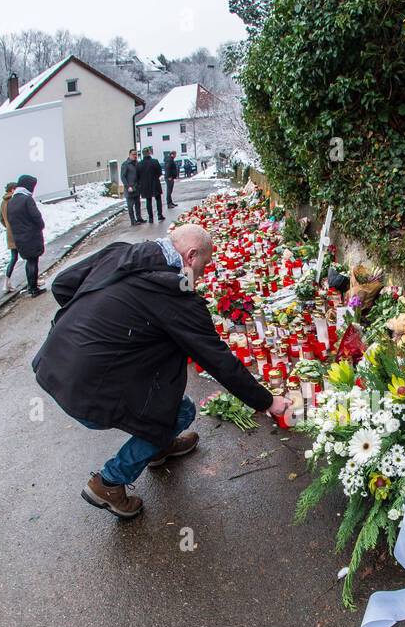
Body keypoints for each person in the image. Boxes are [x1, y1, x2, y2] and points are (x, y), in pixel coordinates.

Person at [32, 224, 289, 519]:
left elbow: (63, 285)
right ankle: (109, 482)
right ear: (191, 256)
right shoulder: (173, 295)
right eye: (203, 266)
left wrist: (96, 329)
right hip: (87, 391)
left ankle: (158, 446)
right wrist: (268, 402)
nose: (203, 275)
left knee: (164, 404)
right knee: (181, 412)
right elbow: (218, 360)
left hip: (53, 365)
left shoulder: (123, 252)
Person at [5, 174, 46, 295]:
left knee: (29, 261)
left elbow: (9, 219)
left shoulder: (12, 201)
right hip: (31, 236)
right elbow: (36, 216)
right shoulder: (27, 199)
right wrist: (40, 226)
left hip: (19, 237)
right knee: (33, 261)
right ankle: (33, 288)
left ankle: (30, 286)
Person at [0, 182, 19, 293]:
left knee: (13, 258)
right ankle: (33, 280)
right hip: (19, 233)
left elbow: (1, 219)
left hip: (10, 234)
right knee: (30, 257)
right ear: (12, 190)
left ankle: (6, 283)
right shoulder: (13, 200)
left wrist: (8, 227)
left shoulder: (3, 202)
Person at [136, 148, 165, 223]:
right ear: (149, 153)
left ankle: (150, 217)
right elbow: (159, 172)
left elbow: (138, 176)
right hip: (155, 183)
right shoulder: (154, 161)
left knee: (148, 201)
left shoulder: (139, 164)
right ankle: (159, 215)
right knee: (158, 199)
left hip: (145, 185)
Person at [120, 150, 141, 226]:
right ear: (129, 155)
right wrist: (127, 186)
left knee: (138, 204)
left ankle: (139, 218)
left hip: (137, 187)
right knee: (130, 206)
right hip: (130, 188)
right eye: (133, 154)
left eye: (136, 154)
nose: (135, 156)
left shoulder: (137, 163)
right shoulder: (125, 164)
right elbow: (123, 177)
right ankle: (133, 220)